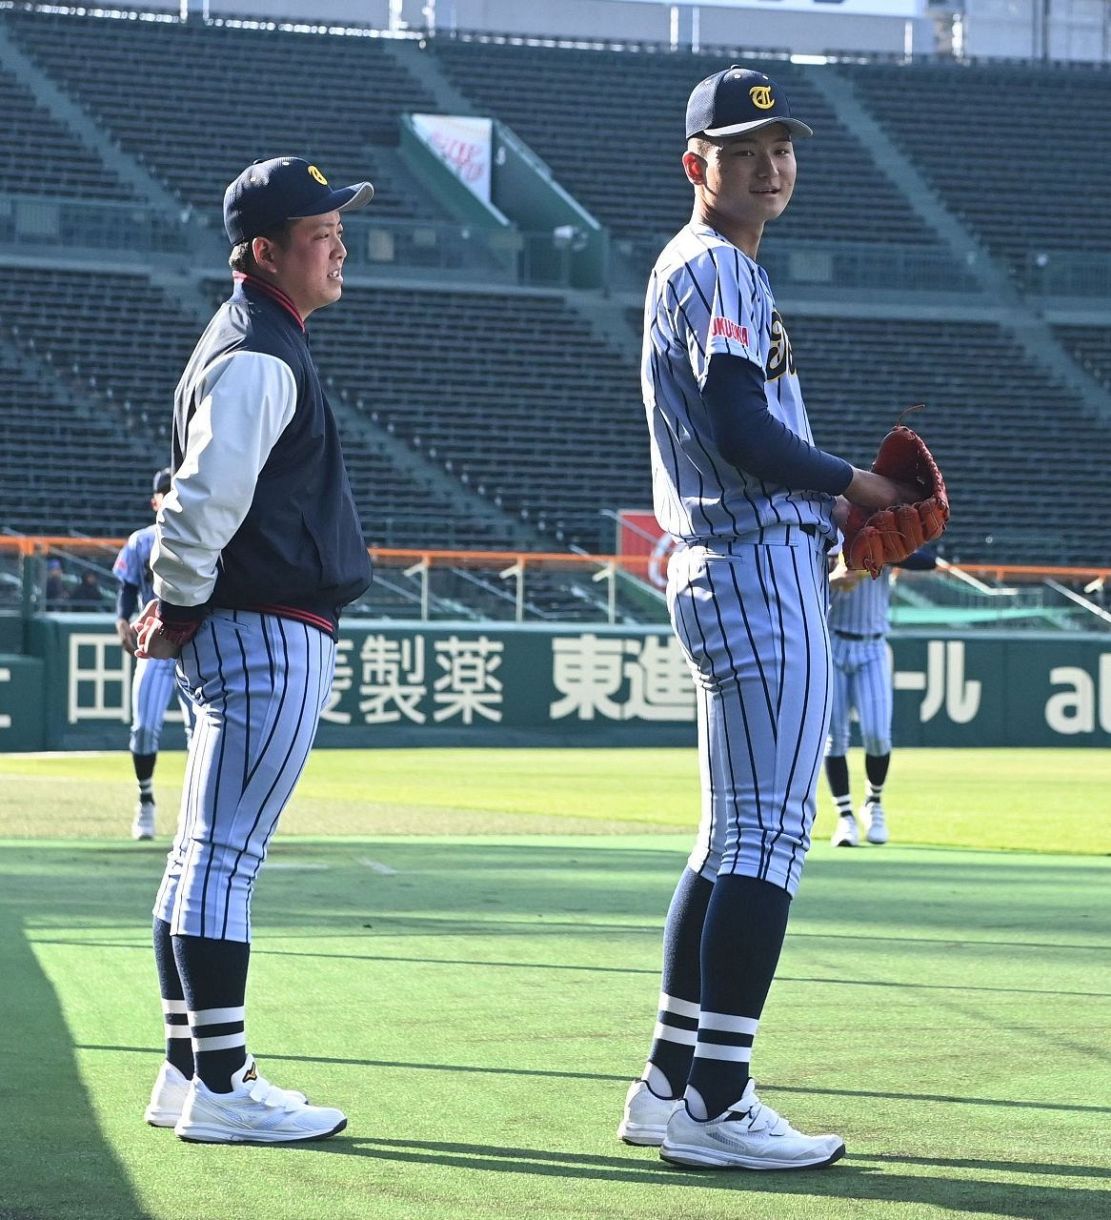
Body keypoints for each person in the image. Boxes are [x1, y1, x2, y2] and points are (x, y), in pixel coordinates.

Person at [618, 66, 920, 1170]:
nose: (768, 163)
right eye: (742, 148)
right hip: (750, 560)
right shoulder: (713, 266)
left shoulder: (709, 266)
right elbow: (745, 427)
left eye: (780, 145)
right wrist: (855, 486)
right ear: (695, 164)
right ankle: (717, 1100)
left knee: (725, 834)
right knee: (766, 838)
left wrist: (831, 495)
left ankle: (668, 1077)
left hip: (728, 558)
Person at [133, 156, 374, 1144]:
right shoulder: (258, 349)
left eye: (337, 225)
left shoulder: (256, 339)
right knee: (222, 856)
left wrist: (182, 602)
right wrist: (177, 601)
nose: (338, 241)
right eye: (319, 230)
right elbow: (198, 503)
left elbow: (189, 493)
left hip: (252, 624)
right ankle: (225, 1083)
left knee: (200, 854)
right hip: (264, 628)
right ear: (264, 251)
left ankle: (188, 1068)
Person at [827, 548, 937, 847]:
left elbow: (928, 559)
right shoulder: (828, 535)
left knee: (877, 734)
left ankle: (873, 803)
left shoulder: (878, 535)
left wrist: (875, 555)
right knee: (835, 738)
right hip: (832, 642)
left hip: (873, 646)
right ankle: (845, 816)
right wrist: (831, 578)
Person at [113, 467, 197, 841]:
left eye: (174, 489)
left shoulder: (200, 536)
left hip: (195, 647)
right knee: (144, 728)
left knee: (202, 733)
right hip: (155, 646)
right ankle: (145, 801)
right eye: (165, 490)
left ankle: (198, 811)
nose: (169, 495)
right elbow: (127, 588)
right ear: (155, 500)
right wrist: (121, 620)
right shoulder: (141, 540)